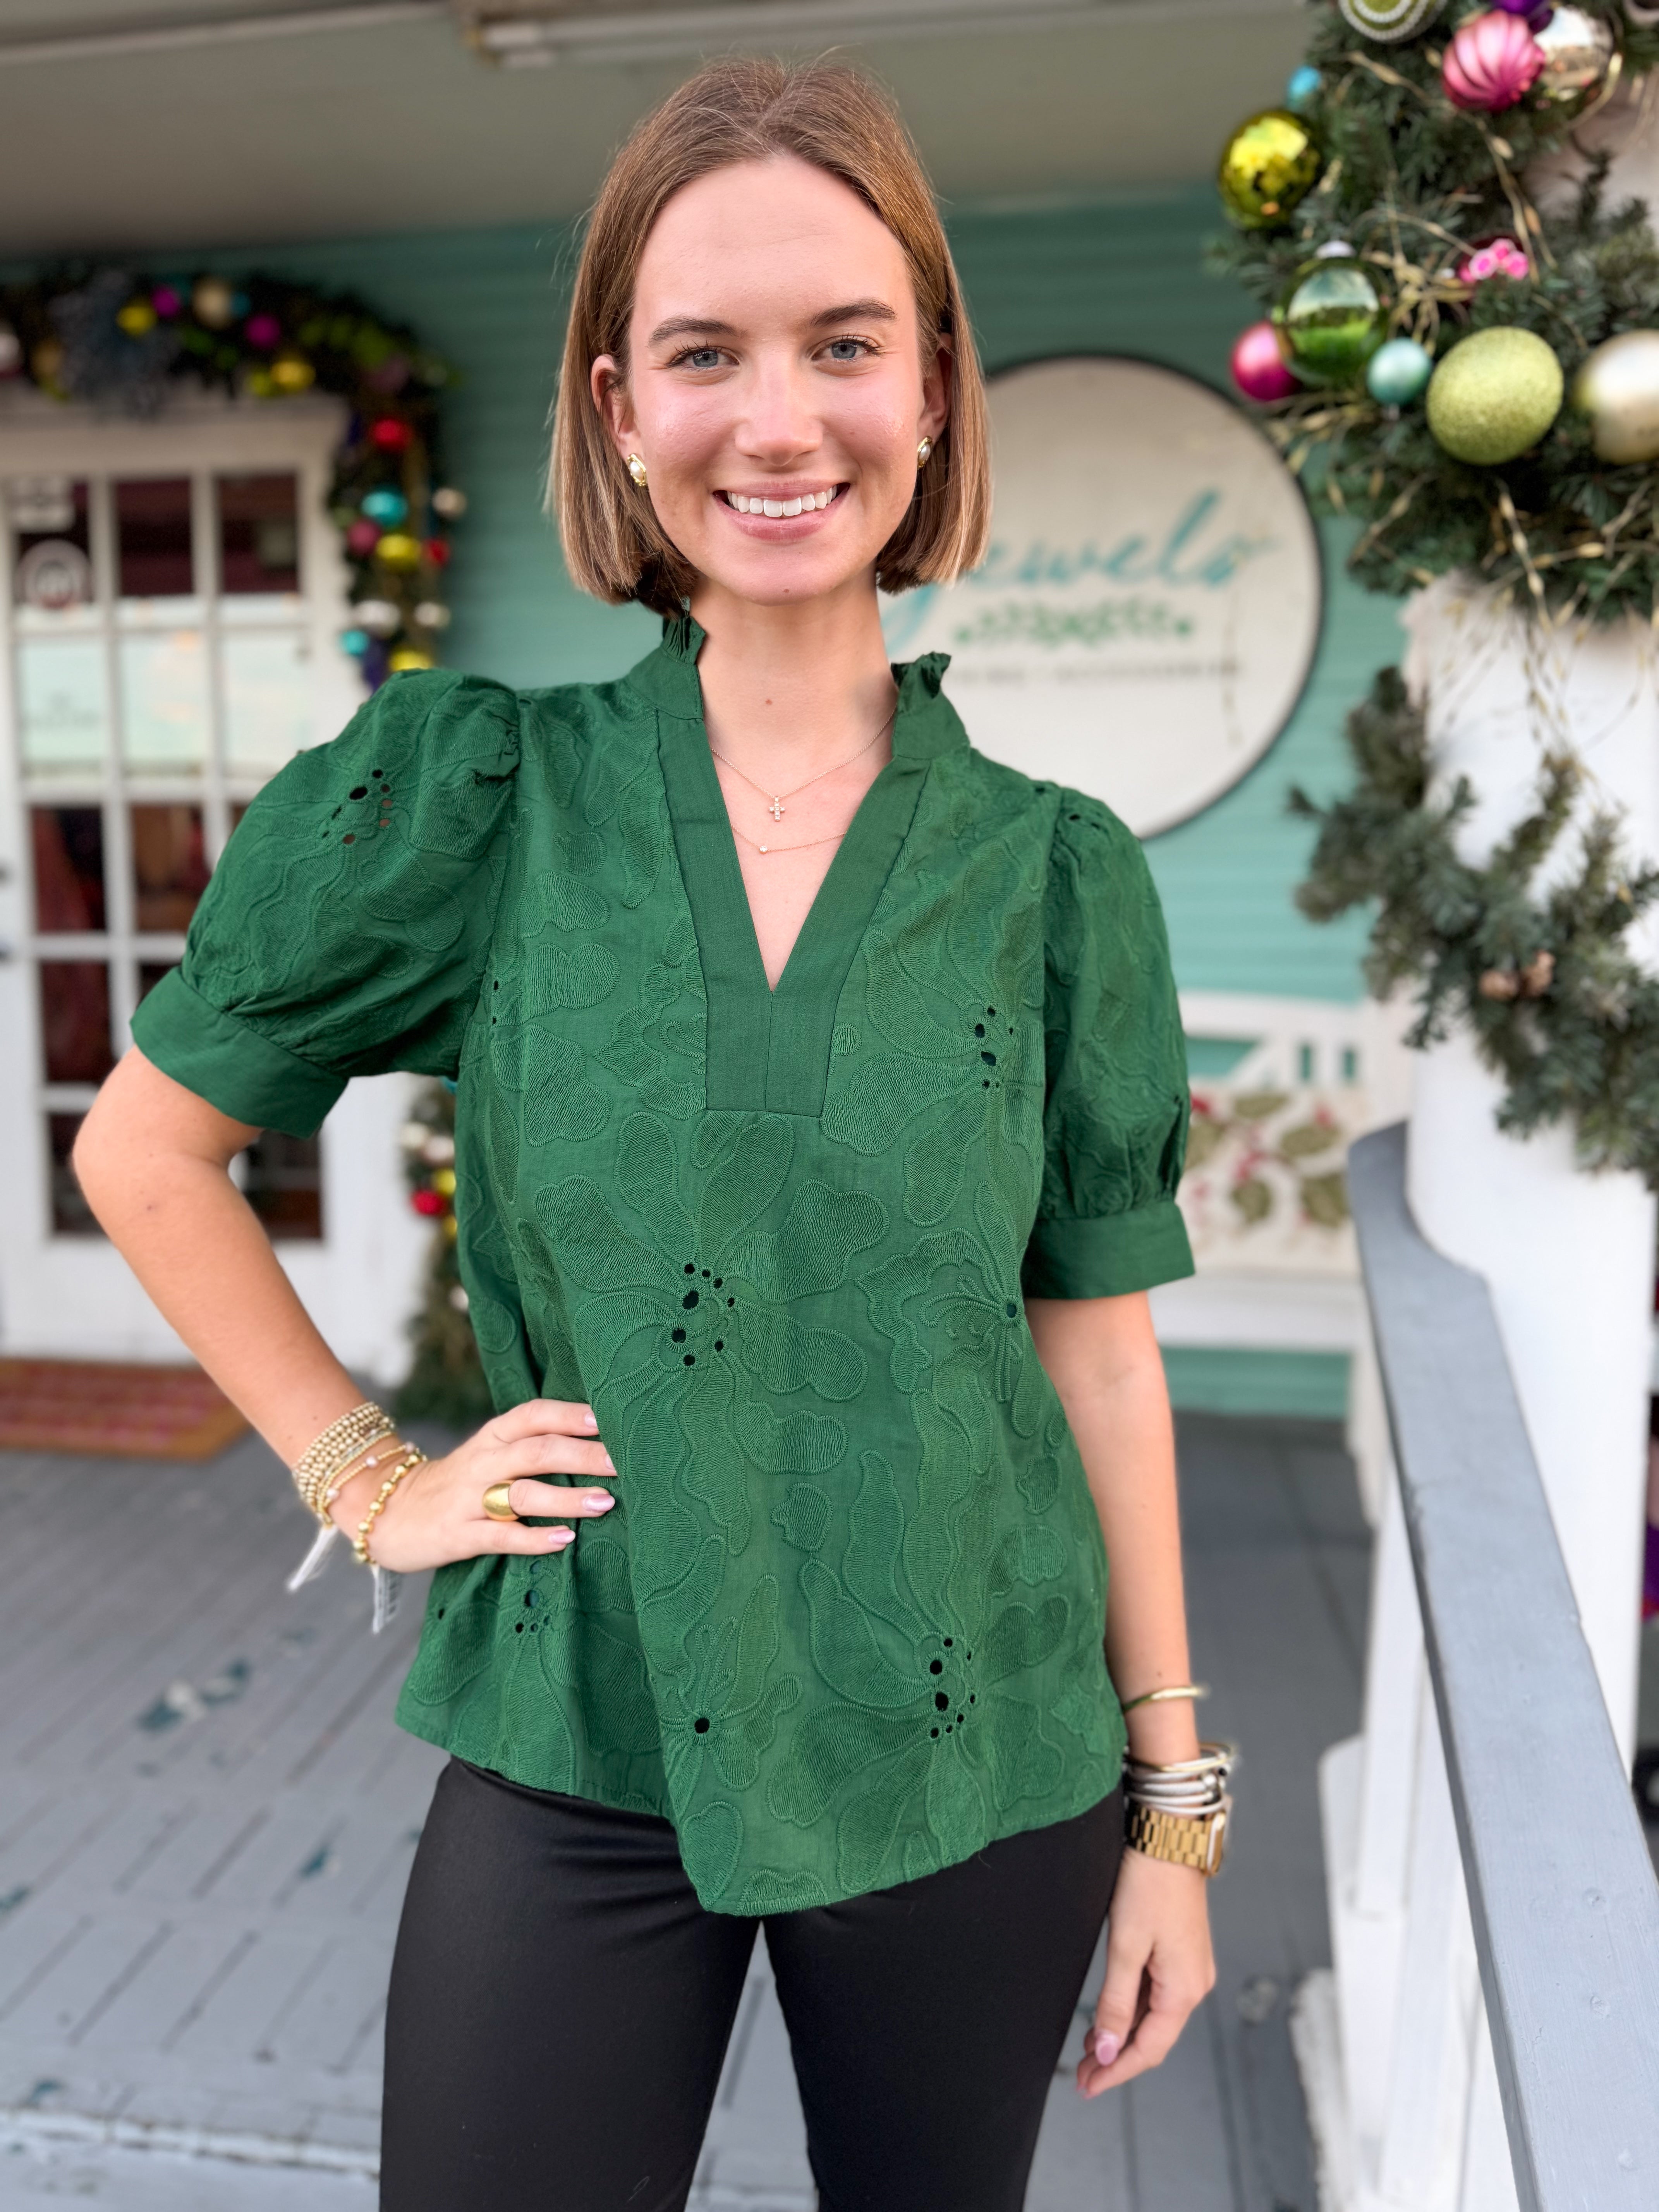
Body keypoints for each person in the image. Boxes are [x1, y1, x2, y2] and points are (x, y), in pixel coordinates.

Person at [75, 57, 1226, 2212]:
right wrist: (369, 1478)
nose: (779, 421)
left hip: (977, 1745)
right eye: (705, 355)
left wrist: (1176, 1805)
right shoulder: (482, 800)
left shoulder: (1058, 875)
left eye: (844, 345)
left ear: (934, 387)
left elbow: (1098, 1351)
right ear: (618, 410)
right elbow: (144, 1151)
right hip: (581, 1718)